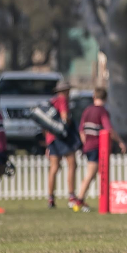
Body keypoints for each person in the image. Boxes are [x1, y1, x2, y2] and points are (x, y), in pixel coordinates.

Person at [74, 88, 127, 212]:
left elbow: (81, 131)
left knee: (99, 175)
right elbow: (109, 129)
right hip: (98, 147)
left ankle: (103, 200)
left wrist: (86, 144)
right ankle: (79, 200)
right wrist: (120, 141)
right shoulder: (102, 111)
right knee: (92, 174)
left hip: (88, 147)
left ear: (94, 97)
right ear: (106, 98)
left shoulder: (87, 110)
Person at [46, 81, 79, 209]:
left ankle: (50, 198)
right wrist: (70, 123)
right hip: (62, 137)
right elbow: (65, 117)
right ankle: (71, 196)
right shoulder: (62, 100)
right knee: (72, 164)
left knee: (54, 168)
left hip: (51, 138)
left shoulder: (51, 101)